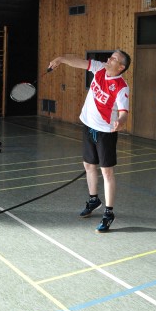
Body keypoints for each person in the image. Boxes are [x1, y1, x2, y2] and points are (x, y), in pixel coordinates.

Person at [48, 50, 131, 233]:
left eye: (113, 59)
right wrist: (61, 59)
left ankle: (108, 213)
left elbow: (124, 112)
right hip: (88, 125)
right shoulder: (99, 68)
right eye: (110, 56)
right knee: (88, 165)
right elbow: (78, 62)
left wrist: (121, 121)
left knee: (107, 172)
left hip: (105, 132)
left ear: (121, 67)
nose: (109, 59)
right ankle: (94, 199)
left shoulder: (121, 87)